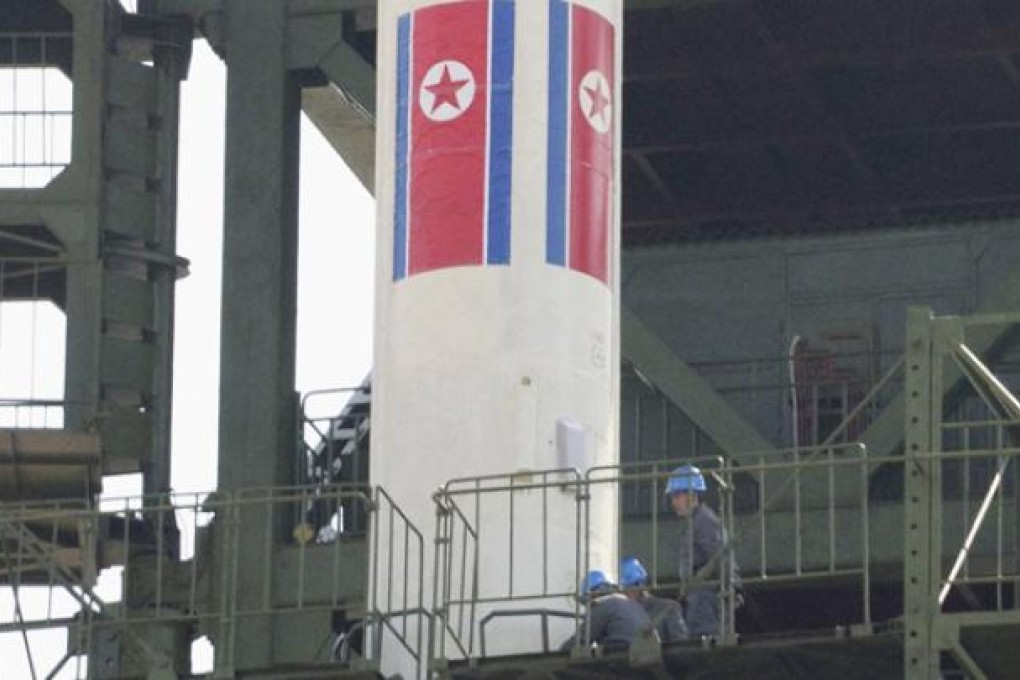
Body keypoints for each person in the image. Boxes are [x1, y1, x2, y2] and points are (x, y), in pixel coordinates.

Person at [664, 463, 741, 637]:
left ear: (691, 495)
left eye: (677, 495)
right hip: (702, 596)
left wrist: (732, 588)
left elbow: (721, 558)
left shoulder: (704, 522)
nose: (674, 502)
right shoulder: (698, 522)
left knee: (704, 641)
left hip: (707, 597)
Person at [559, 569, 652, 654]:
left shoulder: (605, 606)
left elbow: (582, 639)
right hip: (645, 653)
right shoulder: (633, 605)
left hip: (621, 654)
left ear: (593, 595)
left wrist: (561, 653)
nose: (589, 608)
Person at [619, 556, 688, 642]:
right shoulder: (618, 614)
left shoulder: (668, 608)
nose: (621, 596)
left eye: (626, 590)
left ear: (640, 585)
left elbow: (680, 644)